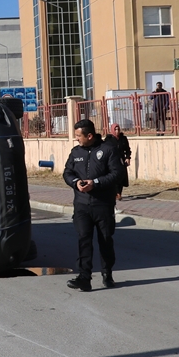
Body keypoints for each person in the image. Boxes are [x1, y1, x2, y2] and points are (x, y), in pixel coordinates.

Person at [62, 119, 123, 291]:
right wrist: (76, 182)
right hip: (82, 205)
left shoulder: (108, 150)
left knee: (105, 240)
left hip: (103, 205)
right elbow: (67, 172)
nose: (76, 139)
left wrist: (95, 183)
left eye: (78, 136)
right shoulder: (76, 152)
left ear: (89, 136)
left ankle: (107, 273)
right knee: (84, 240)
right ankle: (84, 278)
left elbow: (117, 173)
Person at [104, 122, 132, 200]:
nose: (117, 131)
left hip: (121, 160)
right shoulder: (108, 139)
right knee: (114, 176)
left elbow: (127, 149)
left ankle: (119, 193)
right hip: (112, 160)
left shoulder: (123, 138)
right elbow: (105, 150)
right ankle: (116, 193)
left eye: (118, 129)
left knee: (121, 176)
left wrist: (128, 158)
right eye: (115, 129)